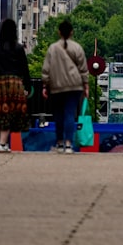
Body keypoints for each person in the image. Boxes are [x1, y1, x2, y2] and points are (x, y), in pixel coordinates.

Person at [0, 18, 32, 153]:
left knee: (1, 113)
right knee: (11, 114)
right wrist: (27, 86)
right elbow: (24, 69)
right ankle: (2, 143)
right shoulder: (18, 48)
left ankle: (2, 142)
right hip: (14, 84)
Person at [41, 19, 89, 154]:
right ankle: (69, 144)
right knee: (70, 114)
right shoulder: (77, 48)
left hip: (56, 86)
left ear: (59, 32)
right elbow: (83, 68)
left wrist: (45, 85)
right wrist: (86, 85)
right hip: (74, 86)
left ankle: (59, 142)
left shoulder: (53, 48)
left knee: (58, 116)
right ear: (72, 32)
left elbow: (46, 69)